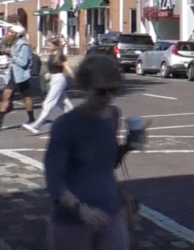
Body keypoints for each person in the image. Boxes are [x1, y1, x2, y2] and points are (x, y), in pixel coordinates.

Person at [44, 55, 147, 249]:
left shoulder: (113, 115)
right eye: (101, 92)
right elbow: (54, 180)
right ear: (85, 87)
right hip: (73, 218)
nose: (108, 97)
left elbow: (106, 164)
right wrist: (80, 209)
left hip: (110, 210)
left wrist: (128, 146)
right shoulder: (65, 125)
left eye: (113, 90)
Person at [23, 37, 76, 134]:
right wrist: (49, 74)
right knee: (64, 103)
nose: (47, 47)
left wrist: (75, 78)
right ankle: (77, 121)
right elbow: (52, 69)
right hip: (54, 79)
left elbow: (67, 68)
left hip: (59, 80)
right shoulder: (51, 55)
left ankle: (36, 126)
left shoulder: (60, 56)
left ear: (55, 47)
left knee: (48, 103)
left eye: (49, 45)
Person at [0, 25, 35, 130]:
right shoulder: (15, 44)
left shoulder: (23, 46)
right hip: (13, 75)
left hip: (22, 76)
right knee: (6, 96)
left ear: (17, 34)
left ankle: (31, 119)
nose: (9, 34)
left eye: (11, 32)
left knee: (26, 97)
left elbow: (23, 62)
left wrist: (11, 55)